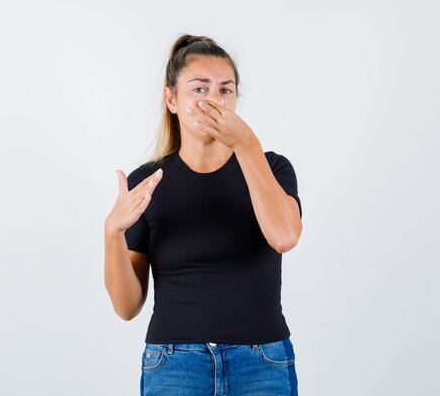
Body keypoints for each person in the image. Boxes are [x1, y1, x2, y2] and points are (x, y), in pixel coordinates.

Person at [104, 34, 303, 396]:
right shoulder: (147, 182)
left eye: (225, 91)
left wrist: (246, 145)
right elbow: (127, 306)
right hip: (174, 364)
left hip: (262, 363)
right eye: (199, 89)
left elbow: (285, 237)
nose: (214, 100)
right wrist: (112, 233)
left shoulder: (271, 167)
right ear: (172, 99)